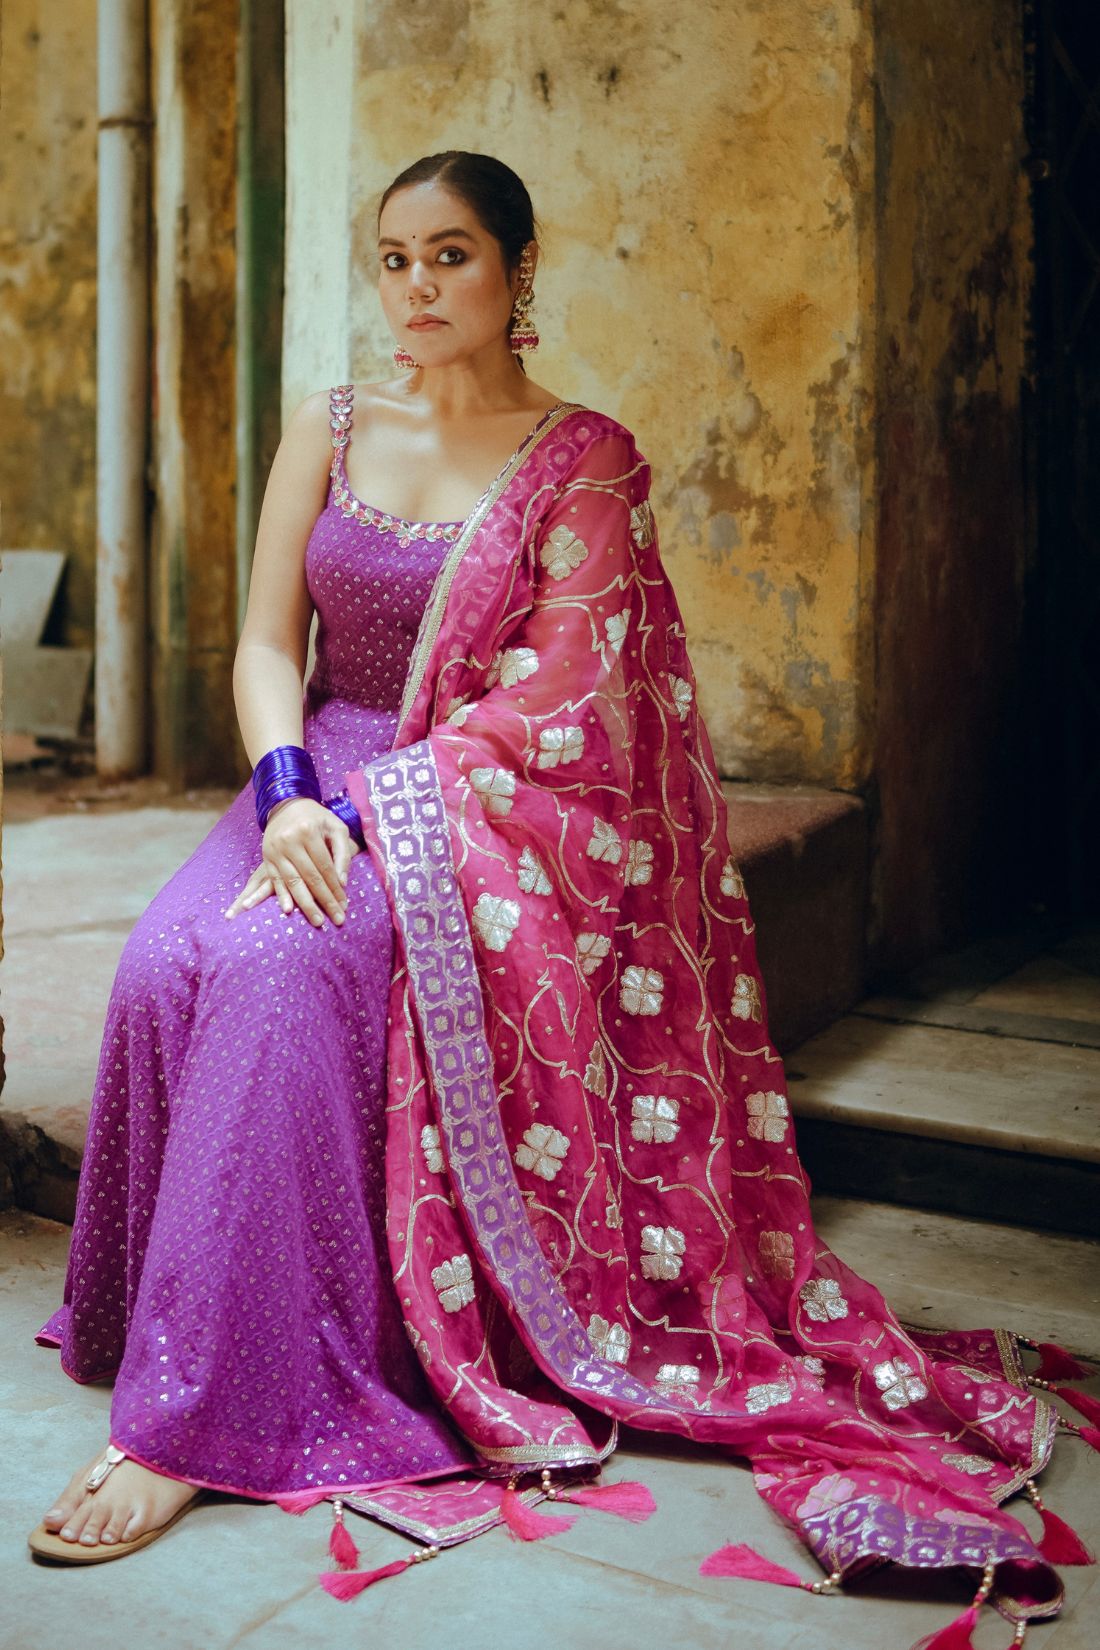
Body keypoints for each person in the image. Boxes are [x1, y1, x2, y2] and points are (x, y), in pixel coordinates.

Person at [27, 151, 1088, 1643]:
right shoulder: (329, 423)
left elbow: (573, 707)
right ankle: (169, 1309)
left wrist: (373, 814)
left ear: (520, 269)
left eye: (450, 255)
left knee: (281, 972)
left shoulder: (580, 459)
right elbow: (267, 644)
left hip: (452, 810)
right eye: (395, 258)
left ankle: (194, 1420)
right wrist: (288, 791)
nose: (416, 288)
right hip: (308, 777)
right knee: (161, 961)